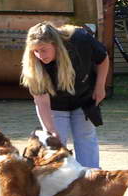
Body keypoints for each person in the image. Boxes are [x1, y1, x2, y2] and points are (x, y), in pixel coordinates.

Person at [21, 21, 109, 168]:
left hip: (84, 98)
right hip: (55, 104)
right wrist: (51, 130)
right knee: (55, 144)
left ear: (55, 44)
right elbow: (41, 99)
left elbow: (103, 58)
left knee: (85, 137)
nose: (39, 55)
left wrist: (100, 86)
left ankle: (91, 180)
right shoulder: (33, 63)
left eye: (43, 50)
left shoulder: (80, 40)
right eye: (35, 51)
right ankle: (60, 182)